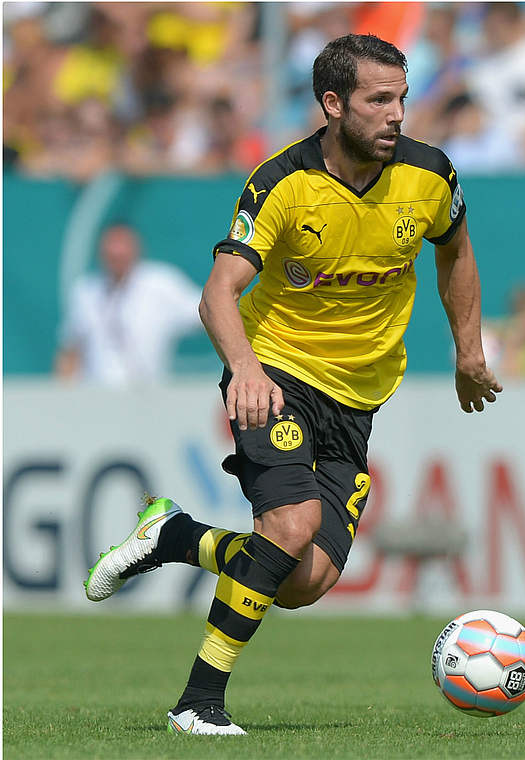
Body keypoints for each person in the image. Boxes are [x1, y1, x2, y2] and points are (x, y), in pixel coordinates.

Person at [84, 34, 502, 735]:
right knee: (289, 524)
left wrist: (468, 348)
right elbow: (219, 293)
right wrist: (245, 368)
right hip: (274, 372)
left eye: (401, 97)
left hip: (358, 395)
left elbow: (456, 248)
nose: (397, 113)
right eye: (379, 100)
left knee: (304, 580)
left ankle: (173, 535)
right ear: (333, 105)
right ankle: (198, 701)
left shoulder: (431, 175)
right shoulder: (283, 182)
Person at [55, 223, 202, 386]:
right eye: (112, 246)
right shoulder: (85, 291)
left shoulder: (161, 284)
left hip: (148, 395)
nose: (117, 253)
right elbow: (70, 350)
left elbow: (207, 313)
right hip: (95, 396)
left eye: (122, 245)